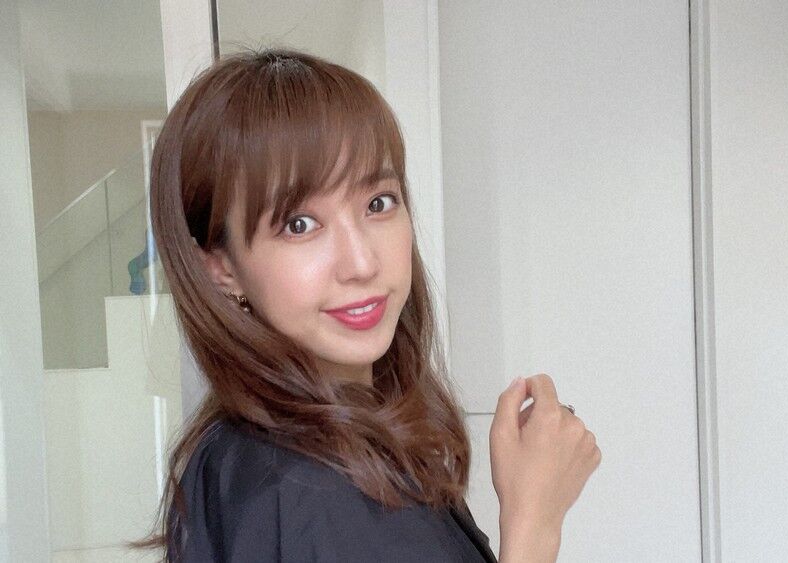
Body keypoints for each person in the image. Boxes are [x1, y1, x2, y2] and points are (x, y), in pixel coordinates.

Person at [132, 47, 601, 562]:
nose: (361, 262)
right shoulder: (308, 490)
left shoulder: (255, 451)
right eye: (299, 224)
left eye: (378, 203)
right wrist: (534, 521)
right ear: (221, 267)